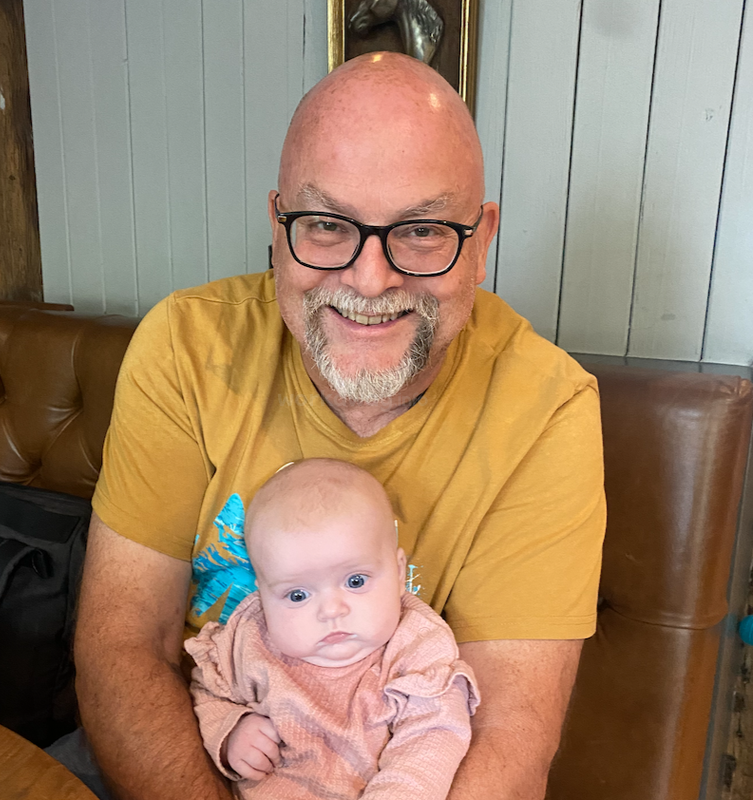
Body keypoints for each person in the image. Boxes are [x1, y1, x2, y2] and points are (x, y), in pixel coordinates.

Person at [74, 51, 606, 800]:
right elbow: (122, 646)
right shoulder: (183, 347)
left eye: (421, 231)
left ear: (480, 242)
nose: (369, 279)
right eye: (326, 225)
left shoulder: (546, 411)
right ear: (277, 223)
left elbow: (506, 739)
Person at [185, 458, 480, 799]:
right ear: (261, 593)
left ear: (399, 574)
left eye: (355, 581)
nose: (331, 610)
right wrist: (229, 728)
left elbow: (433, 737)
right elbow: (208, 691)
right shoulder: (249, 641)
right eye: (297, 595)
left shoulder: (415, 649)